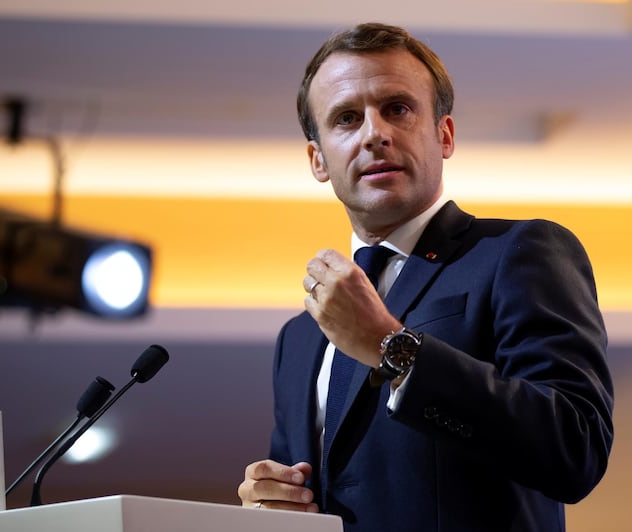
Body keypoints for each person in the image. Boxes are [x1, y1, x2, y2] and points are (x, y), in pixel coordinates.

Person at [237, 22, 614, 532]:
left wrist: (391, 346)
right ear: (318, 159)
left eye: (397, 108)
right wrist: (272, 505)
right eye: (347, 118)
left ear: (444, 135)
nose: (375, 133)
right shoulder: (299, 338)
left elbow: (576, 449)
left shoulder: (520, 253)